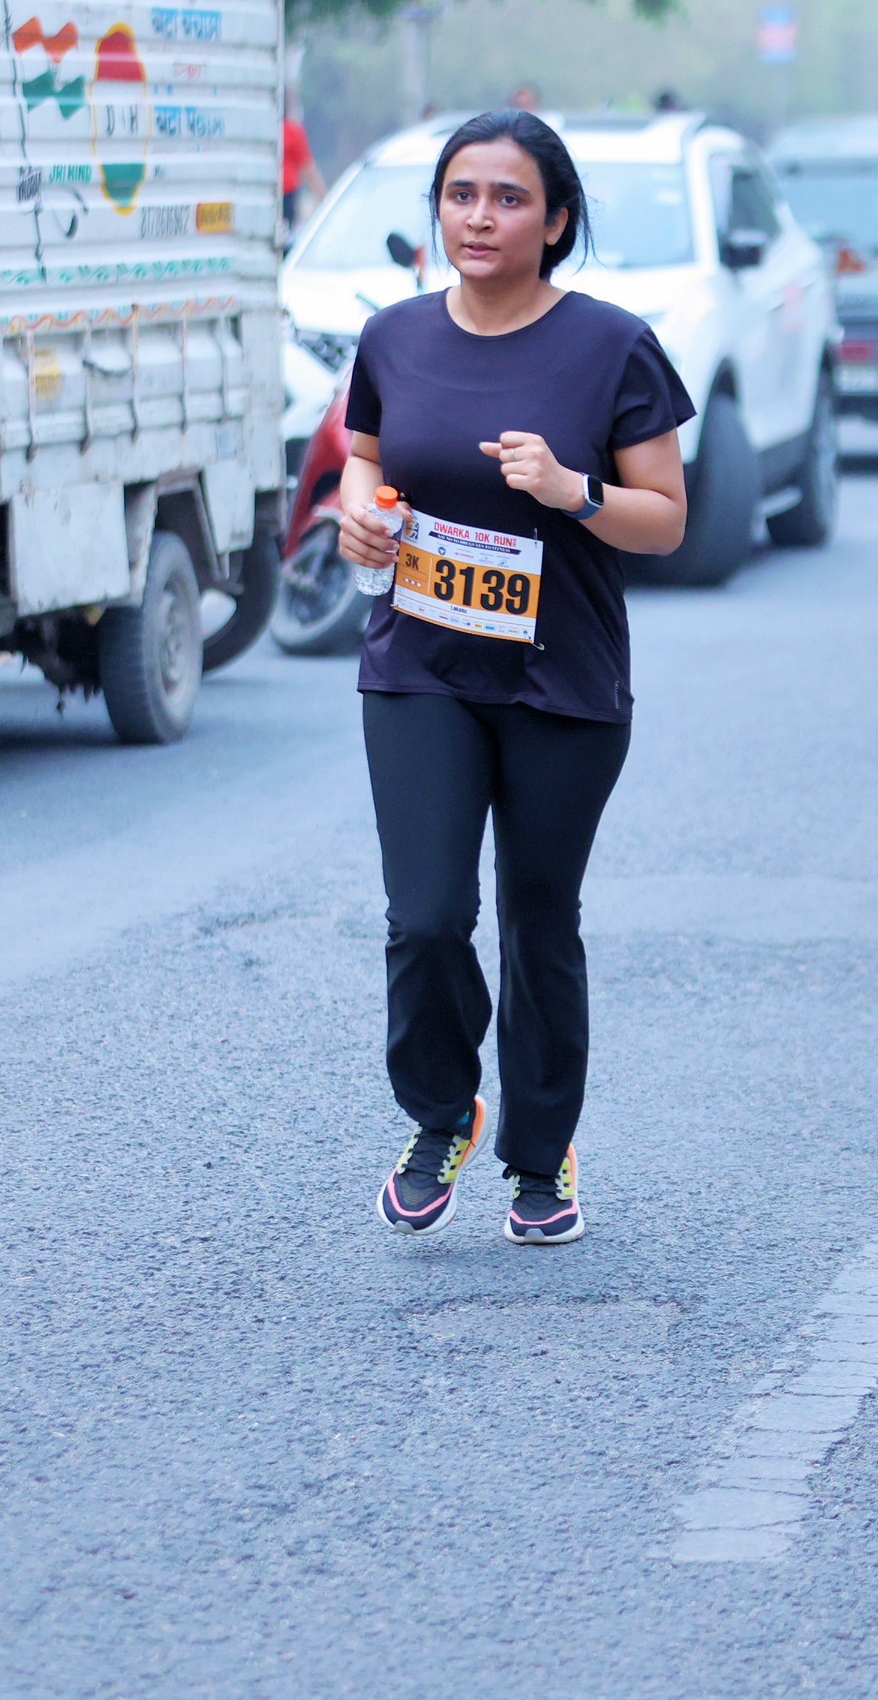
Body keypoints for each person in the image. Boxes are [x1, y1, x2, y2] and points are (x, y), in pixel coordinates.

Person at [336, 110, 694, 1245]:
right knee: (427, 916)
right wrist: (360, 516)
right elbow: (364, 458)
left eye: (508, 198)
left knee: (540, 921)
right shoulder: (394, 337)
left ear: (556, 220)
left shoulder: (612, 346)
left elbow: (666, 520)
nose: (480, 218)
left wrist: (572, 491)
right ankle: (442, 1114)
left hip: (561, 681)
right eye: (461, 195)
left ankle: (541, 1154)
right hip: (420, 665)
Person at [280, 107, 324, 232]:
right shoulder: (292, 131)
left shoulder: (271, 130)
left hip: (285, 194)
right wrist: (324, 199)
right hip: (287, 195)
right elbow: (308, 167)